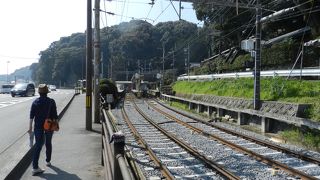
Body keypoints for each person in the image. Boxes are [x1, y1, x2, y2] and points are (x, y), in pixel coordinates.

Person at [28, 84, 58, 175]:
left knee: (38, 145)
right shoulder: (51, 102)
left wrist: (30, 128)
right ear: (46, 92)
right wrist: (56, 124)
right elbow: (55, 116)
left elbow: (31, 117)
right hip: (48, 126)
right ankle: (48, 161)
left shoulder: (35, 102)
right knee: (48, 143)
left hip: (37, 126)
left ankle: (35, 167)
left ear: (39, 92)